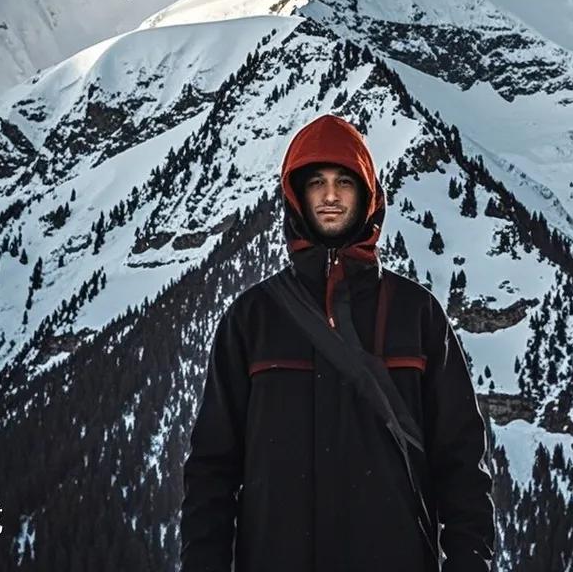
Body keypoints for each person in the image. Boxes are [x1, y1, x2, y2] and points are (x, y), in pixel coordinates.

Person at [180, 112, 495, 572]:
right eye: (317, 183)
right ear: (297, 196)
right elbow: (212, 471)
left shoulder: (417, 314)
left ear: (367, 196)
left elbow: (462, 465)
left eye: (344, 182)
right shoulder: (252, 319)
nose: (330, 195)